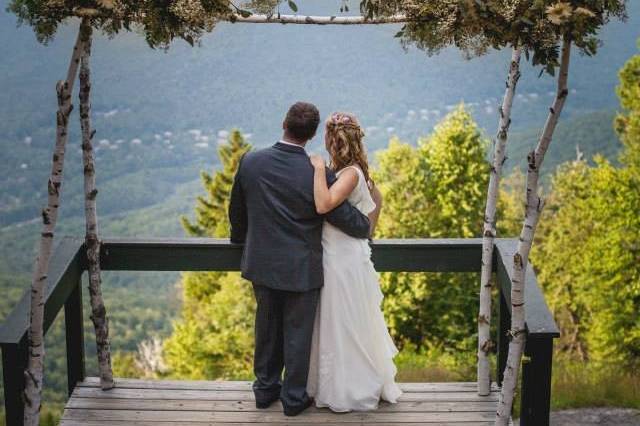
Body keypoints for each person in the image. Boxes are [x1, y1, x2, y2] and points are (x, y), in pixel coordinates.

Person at [228, 102, 371, 416]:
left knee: (266, 329)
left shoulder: (250, 161)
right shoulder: (315, 171)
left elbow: (237, 213)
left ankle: (264, 392)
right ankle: (293, 399)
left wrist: (240, 241)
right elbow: (347, 218)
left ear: (284, 123)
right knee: (297, 334)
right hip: (302, 268)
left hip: (261, 263)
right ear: (312, 134)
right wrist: (367, 225)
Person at [306, 111, 402, 412]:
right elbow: (377, 204)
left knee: (341, 321)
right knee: (343, 320)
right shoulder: (360, 172)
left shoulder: (348, 174)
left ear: (333, 142)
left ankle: (348, 389)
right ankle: (335, 382)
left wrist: (318, 169)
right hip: (347, 252)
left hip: (340, 258)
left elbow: (323, 204)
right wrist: (366, 231)